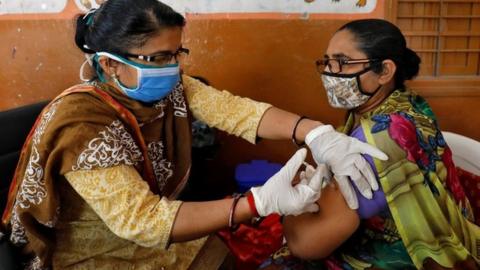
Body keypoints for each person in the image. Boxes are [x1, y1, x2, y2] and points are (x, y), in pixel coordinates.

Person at [0, 1, 388, 269]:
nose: (172, 68)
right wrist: (259, 202)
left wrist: (316, 133)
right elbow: (145, 222)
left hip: (151, 232)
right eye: (157, 58)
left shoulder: (170, 88)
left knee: (219, 256)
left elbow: (237, 111)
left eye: (176, 54)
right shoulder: (82, 125)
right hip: (94, 251)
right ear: (109, 65)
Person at [259, 19, 480, 270]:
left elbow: (306, 243)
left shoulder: (380, 137)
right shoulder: (402, 103)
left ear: (385, 71)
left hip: (404, 257)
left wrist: (289, 211)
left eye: (341, 62)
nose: (330, 73)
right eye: (327, 61)